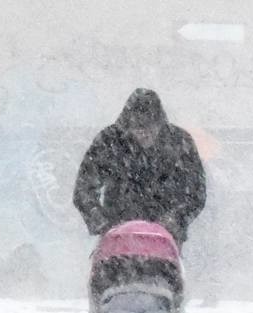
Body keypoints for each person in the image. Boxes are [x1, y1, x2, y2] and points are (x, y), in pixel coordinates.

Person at [73, 88, 206, 247]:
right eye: (138, 128)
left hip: (165, 238)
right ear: (127, 126)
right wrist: (101, 221)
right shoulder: (109, 141)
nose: (144, 134)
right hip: (117, 236)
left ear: (160, 124)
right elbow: (83, 189)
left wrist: (176, 218)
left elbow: (196, 193)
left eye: (150, 128)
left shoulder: (179, 143)